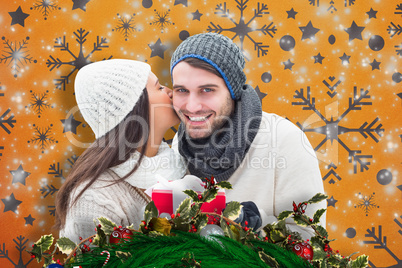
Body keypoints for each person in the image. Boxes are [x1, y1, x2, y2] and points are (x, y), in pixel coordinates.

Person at [170, 33, 326, 238]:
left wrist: (247, 226)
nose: (191, 106)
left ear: (232, 91)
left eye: (207, 90)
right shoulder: (180, 143)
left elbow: (310, 237)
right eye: (182, 90)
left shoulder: (285, 140)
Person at [54, 59, 186, 243]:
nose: (171, 92)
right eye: (159, 88)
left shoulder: (181, 164)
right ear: (134, 110)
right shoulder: (93, 200)